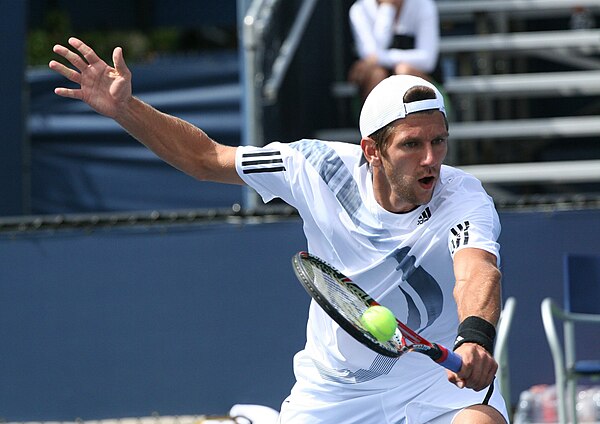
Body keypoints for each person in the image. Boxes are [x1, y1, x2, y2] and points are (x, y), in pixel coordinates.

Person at [49, 38, 508, 424]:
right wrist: (125, 108)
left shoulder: (463, 197)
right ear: (371, 150)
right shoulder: (314, 166)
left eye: (438, 141)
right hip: (334, 392)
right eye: (412, 144)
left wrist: (474, 338)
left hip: (437, 388)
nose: (431, 158)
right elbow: (206, 159)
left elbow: (476, 272)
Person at [348, 0, 441, 100]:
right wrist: (387, 9)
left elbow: (427, 61)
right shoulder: (359, 9)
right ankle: (379, 114)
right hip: (376, 78)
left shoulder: (424, 5)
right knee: (376, 74)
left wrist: (380, 58)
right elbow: (369, 54)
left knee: (404, 72)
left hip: (421, 77)